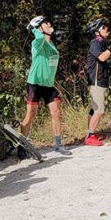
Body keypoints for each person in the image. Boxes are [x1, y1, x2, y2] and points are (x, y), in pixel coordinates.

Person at [20, 16, 71, 155]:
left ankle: (58, 145)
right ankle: (21, 146)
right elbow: (40, 38)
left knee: (56, 113)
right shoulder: (37, 43)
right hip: (34, 84)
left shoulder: (51, 44)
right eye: (45, 23)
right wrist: (33, 29)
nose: (49, 24)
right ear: (39, 28)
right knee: (30, 115)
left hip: (48, 85)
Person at [84, 18, 111, 146]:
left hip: (99, 79)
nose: (107, 29)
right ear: (97, 32)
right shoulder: (95, 42)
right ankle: (90, 136)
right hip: (96, 80)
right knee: (99, 110)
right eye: (103, 27)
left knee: (93, 109)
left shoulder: (100, 43)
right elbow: (101, 57)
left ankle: (91, 133)